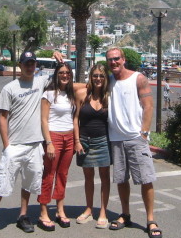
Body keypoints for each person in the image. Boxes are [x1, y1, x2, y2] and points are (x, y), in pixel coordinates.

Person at [0, 51, 51, 238]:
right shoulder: (10, 88)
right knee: (2, 182)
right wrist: (7, 145)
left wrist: (59, 59)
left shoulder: (41, 82)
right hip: (15, 145)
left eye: (32, 63)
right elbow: (3, 117)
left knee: (28, 182)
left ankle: (23, 215)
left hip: (35, 145)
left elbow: (62, 77)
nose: (29, 66)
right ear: (20, 65)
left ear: (36, 65)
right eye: (26, 63)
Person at [105, 47, 162, 237]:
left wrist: (143, 134)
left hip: (136, 139)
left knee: (146, 180)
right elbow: (83, 85)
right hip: (116, 139)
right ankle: (125, 214)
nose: (113, 62)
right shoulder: (108, 80)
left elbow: (148, 106)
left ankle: (150, 220)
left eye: (116, 59)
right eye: (110, 60)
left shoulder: (138, 78)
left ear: (123, 59)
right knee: (121, 180)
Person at [36, 62, 76, 232]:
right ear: (56, 75)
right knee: (49, 174)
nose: (64, 75)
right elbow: (44, 119)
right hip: (54, 137)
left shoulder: (71, 94)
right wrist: (49, 142)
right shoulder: (49, 94)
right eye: (61, 73)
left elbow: (88, 84)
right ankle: (43, 212)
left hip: (70, 138)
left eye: (67, 73)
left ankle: (60, 210)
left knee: (63, 175)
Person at [73, 64, 112, 229]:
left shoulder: (109, 97)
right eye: (95, 75)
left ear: (105, 78)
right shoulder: (82, 94)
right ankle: (89, 209)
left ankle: (103, 211)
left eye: (101, 76)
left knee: (104, 176)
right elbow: (75, 119)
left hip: (103, 140)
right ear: (91, 76)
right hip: (85, 140)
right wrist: (77, 140)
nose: (98, 79)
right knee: (88, 177)